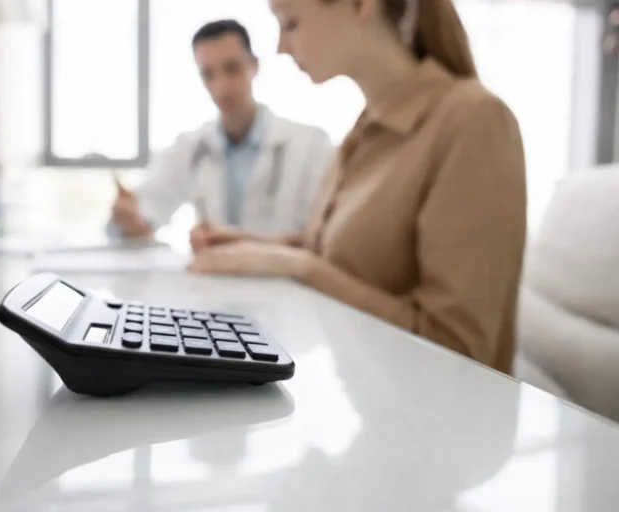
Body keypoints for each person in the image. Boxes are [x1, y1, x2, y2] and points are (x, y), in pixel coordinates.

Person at [188, 0, 528, 375]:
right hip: (368, 401)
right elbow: (328, 251)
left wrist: (302, 268)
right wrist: (245, 243)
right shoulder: (365, 130)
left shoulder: (473, 122)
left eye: (292, 22)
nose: (282, 47)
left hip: (438, 421)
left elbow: (461, 352)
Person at [110, 19, 334, 239]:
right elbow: (145, 211)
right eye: (208, 74)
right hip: (212, 274)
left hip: (283, 275)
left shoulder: (311, 146)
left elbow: (323, 235)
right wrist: (129, 221)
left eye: (232, 68)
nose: (221, 86)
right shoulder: (191, 148)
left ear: (254, 65)